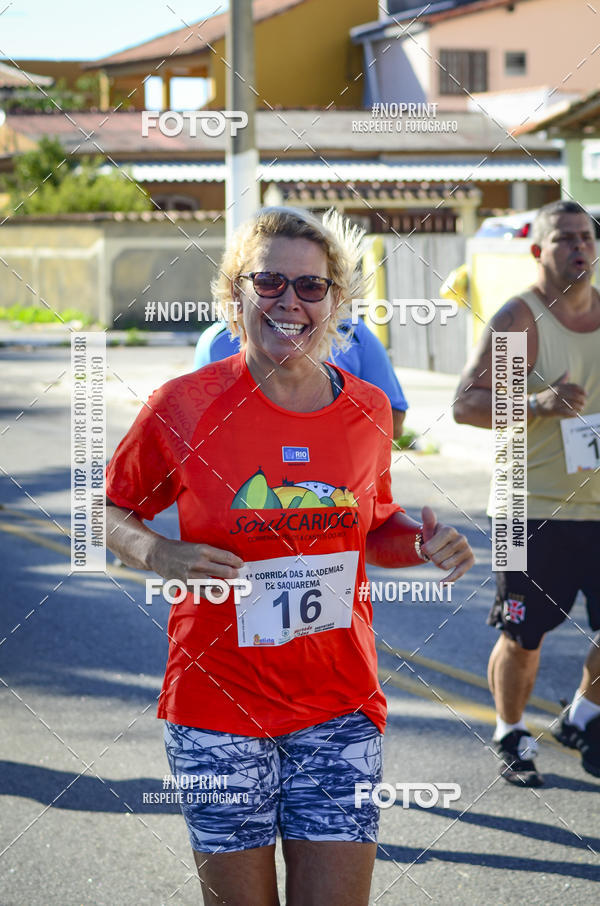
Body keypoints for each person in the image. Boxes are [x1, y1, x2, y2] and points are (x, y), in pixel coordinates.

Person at [106, 206, 474, 906]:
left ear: (338, 301)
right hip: (216, 707)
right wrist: (159, 551)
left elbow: (370, 527)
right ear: (233, 295)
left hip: (339, 706)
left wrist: (421, 543)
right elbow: (106, 510)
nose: (290, 302)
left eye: (311, 287)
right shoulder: (181, 406)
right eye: (269, 281)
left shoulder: (366, 410)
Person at [453, 200, 600, 787]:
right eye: (564, 238)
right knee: (523, 633)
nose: (578, 248)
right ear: (539, 251)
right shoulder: (522, 322)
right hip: (527, 508)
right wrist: (537, 402)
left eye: (586, 237)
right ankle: (510, 731)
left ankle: (582, 716)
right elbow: (468, 405)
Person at [194, 315, 409, 438]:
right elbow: (196, 432)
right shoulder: (216, 342)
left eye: (309, 283)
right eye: (270, 281)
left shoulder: (352, 331)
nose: (289, 301)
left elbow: (393, 421)